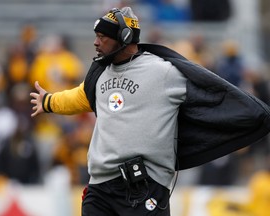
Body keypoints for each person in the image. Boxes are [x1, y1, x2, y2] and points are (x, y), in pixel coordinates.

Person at [30, 6, 270, 216]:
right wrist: (49, 101)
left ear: (124, 37)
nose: (95, 42)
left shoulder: (163, 72)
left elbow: (211, 96)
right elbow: (80, 97)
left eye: (102, 36)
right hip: (100, 187)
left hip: (144, 187)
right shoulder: (99, 73)